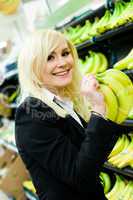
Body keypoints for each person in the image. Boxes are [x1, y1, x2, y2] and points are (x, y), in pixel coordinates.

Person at [15, 29, 132, 200]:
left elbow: (91, 157)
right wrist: (98, 111)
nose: (62, 62)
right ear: (33, 65)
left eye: (65, 53)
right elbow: (79, 175)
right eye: (50, 57)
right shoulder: (30, 114)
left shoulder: (64, 102)